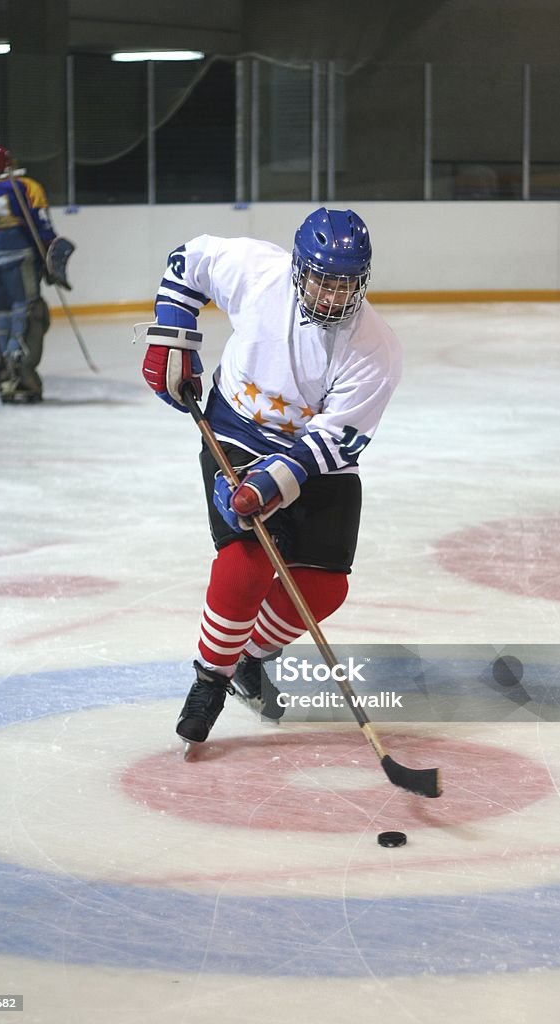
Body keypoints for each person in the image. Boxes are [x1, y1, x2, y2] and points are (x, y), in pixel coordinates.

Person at [141, 208, 401, 749]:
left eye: (346, 285)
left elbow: (334, 441)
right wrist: (173, 333)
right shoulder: (258, 270)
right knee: (247, 561)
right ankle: (210, 679)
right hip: (237, 426)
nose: (332, 297)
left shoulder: (375, 348)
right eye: (323, 281)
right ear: (299, 269)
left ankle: (249, 656)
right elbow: (189, 261)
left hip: (314, 454)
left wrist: (269, 484)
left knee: (326, 586)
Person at [0, 145, 55, 403]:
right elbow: (43, 227)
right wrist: (49, 262)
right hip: (20, 260)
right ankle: (22, 373)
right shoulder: (27, 186)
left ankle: (1, 372)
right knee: (30, 311)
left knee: (0, 316)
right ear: (11, 164)